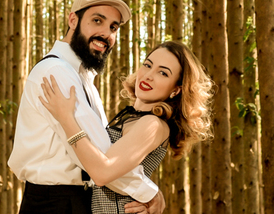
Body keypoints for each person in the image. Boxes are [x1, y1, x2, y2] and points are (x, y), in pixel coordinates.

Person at [9, 0, 166, 214]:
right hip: (54, 203)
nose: (106, 33)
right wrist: (150, 193)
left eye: (113, 27)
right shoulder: (56, 73)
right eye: (97, 20)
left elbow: (104, 155)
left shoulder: (82, 78)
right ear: (73, 20)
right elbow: (100, 159)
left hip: (75, 201)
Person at [39, 40, 212, 214]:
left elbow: (102, 173)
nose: (148, 75)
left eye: (163, 73)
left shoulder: (153, 124)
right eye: (147, 65)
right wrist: (152, 193)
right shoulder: (131, 117)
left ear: (176, 90)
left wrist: (66, 118)